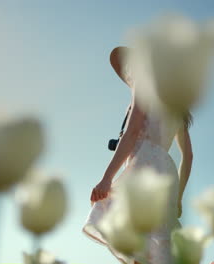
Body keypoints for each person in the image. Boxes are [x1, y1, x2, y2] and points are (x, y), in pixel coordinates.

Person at [82, 46, 193, 264]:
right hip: (167, 173)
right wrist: (178, 198)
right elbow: (188, 157)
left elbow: (132, 132)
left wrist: (107, 178)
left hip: (143, 165)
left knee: (134, 240)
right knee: (157, 244)